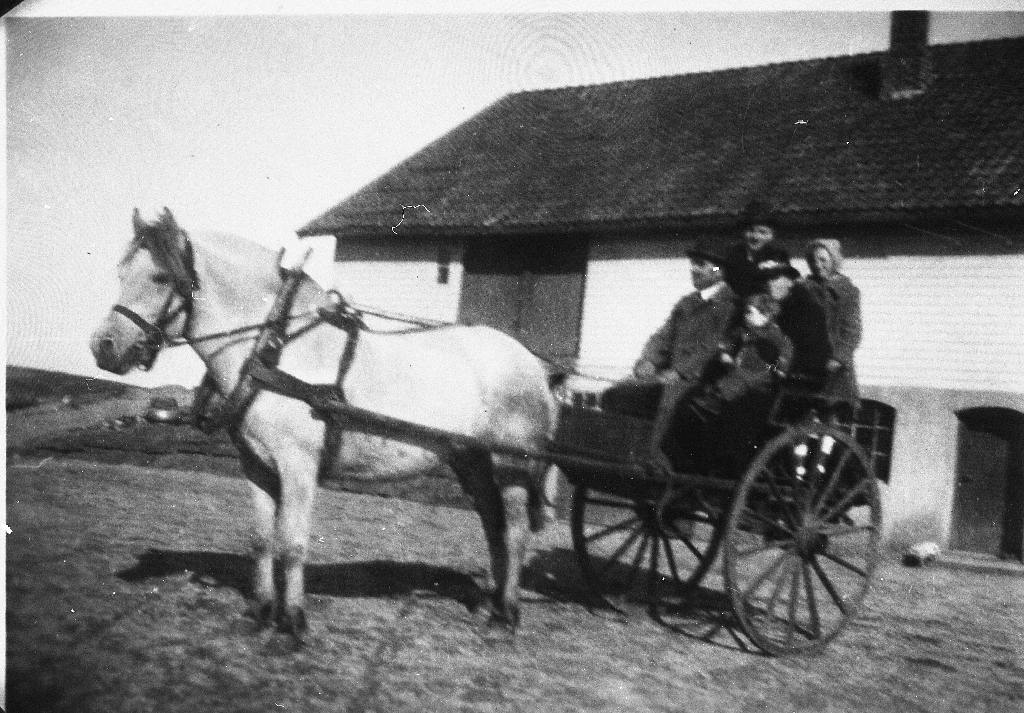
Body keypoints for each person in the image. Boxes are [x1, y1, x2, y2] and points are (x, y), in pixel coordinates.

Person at [601, 238, 739, 429]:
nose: (693, 269)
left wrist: (679, 371)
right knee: (614, 394)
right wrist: (649, 361)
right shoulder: (687, 303)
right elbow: (663, 337)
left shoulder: (730, 307)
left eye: (700, 264)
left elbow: (712, 348)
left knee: (652, 406)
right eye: (692, 263)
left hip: (698, 382)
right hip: (669, 378)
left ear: (719, 271)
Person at [661, 293, 793, 475]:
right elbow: (724, 346)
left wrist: (773, 368)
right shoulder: (743, 332)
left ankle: (720, 465)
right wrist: (726, 354)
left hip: (759, 382)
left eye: (751, 313)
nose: (746, 316)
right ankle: (686, 459)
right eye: (746, 312)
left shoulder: (778, 339)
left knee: (734, 399)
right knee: (705, 395)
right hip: (736, 375)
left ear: (766, 316)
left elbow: (780, 365)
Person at [803, 239, 862, 417]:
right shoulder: (804, 287)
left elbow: (852, 330)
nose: (817, 265)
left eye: (823, 260)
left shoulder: (847, 291)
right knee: (803, 408)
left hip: (832, 361)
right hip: (807, 358)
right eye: (813, 260)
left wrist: (838, 358)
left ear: (834, 261)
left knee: (831, 410)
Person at [722, 200, 793, 299]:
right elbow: (718, 269)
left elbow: (788, 279)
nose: (755, 237)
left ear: (772, 236)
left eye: (762, 232)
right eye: (751, 230)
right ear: (743, 232)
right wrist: (716, 269)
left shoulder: (778, 255)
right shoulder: (732, 254)